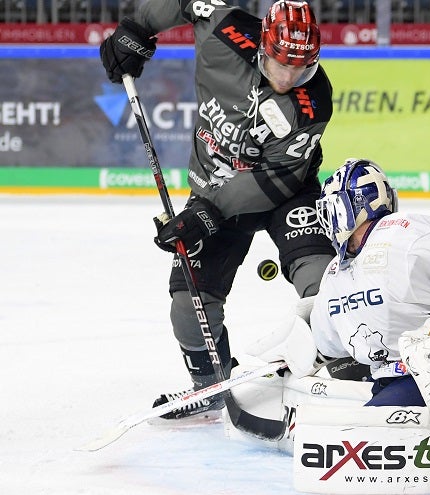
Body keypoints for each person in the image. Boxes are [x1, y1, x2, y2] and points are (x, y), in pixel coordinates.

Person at [99, 0, 336, 420]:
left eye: (301, 68)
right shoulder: (225, 30)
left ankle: (339, 374)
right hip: (213, 191)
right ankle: (209, 386)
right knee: (188, 309)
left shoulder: (313, 99)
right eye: (281, 64)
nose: (289, 77)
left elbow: (272, 180)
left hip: (288, 194)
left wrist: (206, 213)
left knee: (323, 286)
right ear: (263, 44)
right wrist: (138, 27)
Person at [250, 158, 430, 415]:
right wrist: (286, 357)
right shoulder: (338, 271)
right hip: (403, 380)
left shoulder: (408, 234)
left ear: (345, 207)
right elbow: (329, 341)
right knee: (361, 425)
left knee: (363, 438)